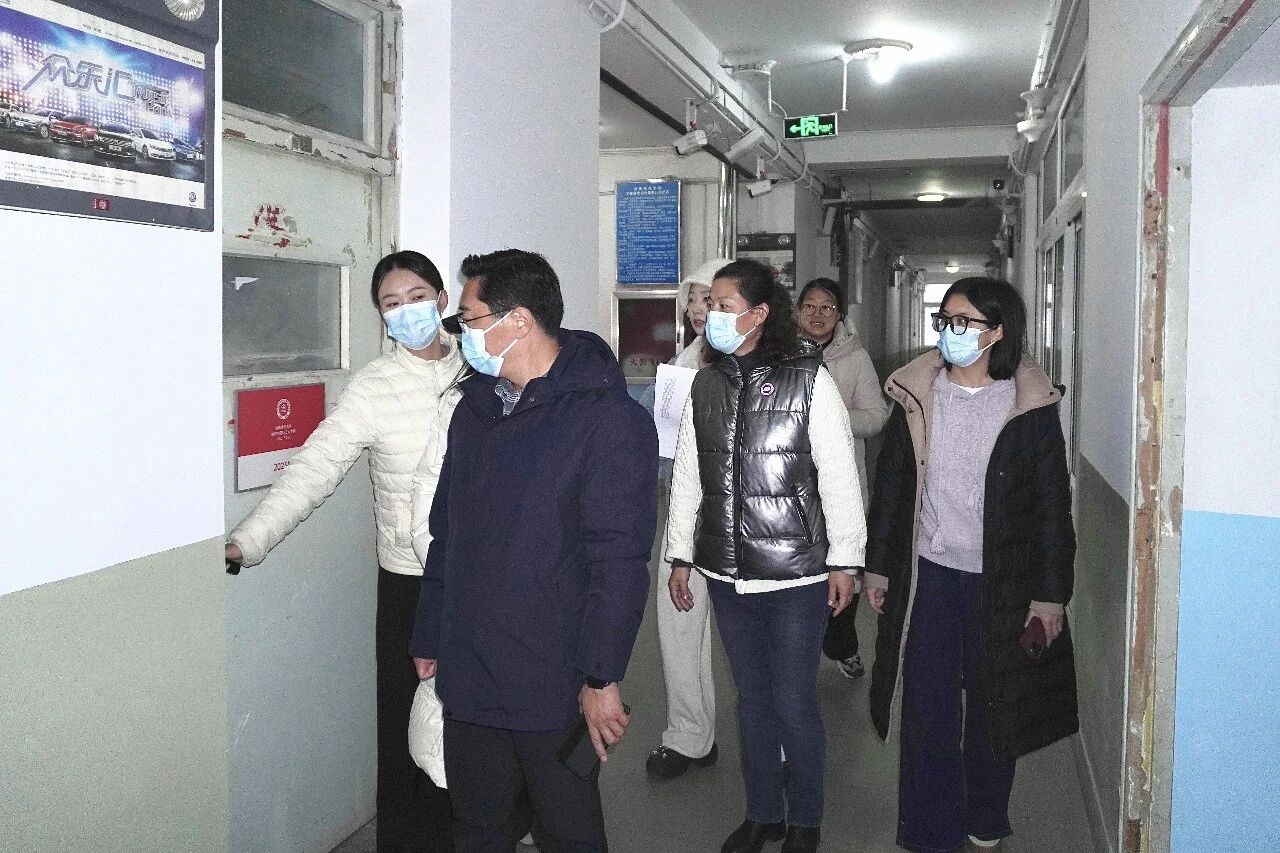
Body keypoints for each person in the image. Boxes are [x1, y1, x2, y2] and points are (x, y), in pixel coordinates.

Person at [411, 249, 657, 852]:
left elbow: (619, 562)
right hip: (470, 671)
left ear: (517, 320)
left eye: (470, 319)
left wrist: (601, 676)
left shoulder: (609, 421)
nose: (461, 333)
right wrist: (429, 632)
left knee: (568, 832)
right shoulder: (473, 410)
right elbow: (447, 533)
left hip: (552, 680)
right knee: (477, 829)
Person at [225, 250, 464, 853]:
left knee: (474, 727)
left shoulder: (477, 370)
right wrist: (250, 538)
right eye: (391, 304)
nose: (406, 311)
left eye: (417, 297)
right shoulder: (373, 387)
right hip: (411, 581)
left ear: (442, 299)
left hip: (478, 580)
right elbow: (316, 466)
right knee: (406, 730)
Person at [863, 277, 1078, 852]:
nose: (949, 331)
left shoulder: (1029, 406)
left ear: (997, 332)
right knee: (927, 708)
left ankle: (985, 815)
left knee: (993, 705)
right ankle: (929, 828)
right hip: (931, 575)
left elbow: (1052, 505)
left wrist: (1049, 594)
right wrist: (878, 566)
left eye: (963, 321)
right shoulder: (918, 396)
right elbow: (891, 488)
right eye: (945, 320)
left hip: (1002, 582)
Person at [665, 259, 866, 853]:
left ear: (757, 314)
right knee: (752, 700)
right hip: (727, 570)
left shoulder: (809, 379)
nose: (711, 315)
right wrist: (680, 554)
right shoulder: (706, 384)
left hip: (796, 573)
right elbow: (689, 478)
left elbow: (839, 474)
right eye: (709, 305)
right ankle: (763, 814)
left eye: (724, 306)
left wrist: (846, 559)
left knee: (793, 700)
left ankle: (805, 819)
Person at [642, 256, 730, 781]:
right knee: (679, 625)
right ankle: (690, 736)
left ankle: (782, 744)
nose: (698, 309)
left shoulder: (769, 362)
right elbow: (660, 443)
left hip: (748, 520)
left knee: (756, 638)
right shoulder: (681, 364)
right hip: (684, 515)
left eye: (710, 299)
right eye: (692, 299)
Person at [795, 278, 890, 681]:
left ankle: (842, 646)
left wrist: (830, 419)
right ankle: (795, 654)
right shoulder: (779, 352)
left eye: (827, 307)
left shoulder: (855, 358)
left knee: (843, 566)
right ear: (798, 311)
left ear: (839, 315)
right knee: (796, 573)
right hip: (790, 485)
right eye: (810, 306)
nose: (817, 314)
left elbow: (877, 416)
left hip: (840, 484)